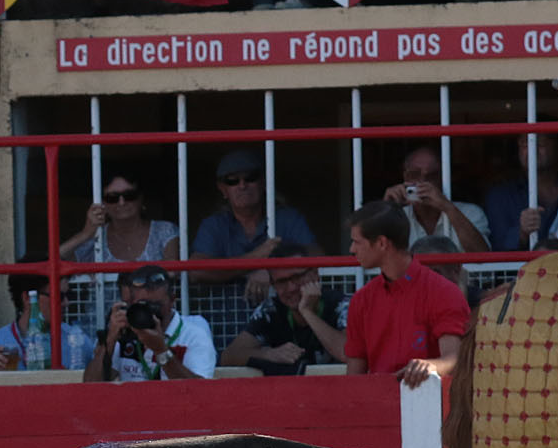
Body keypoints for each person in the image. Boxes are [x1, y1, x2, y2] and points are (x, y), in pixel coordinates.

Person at [343, 201, 470, 388]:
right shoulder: (362, 299)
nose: (351, 249)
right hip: (380, 404)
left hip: (431, 404)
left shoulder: (443, 292)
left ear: (381, 243)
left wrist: (430, 366)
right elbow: (353, 380)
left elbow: (454, 359)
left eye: (356, 242)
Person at [190, 147, 321, 316]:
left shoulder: (287, 218)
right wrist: (257, 257)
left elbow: (317, 255)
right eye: (232, 181)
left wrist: (271, 269)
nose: (242, 185)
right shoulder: (214, 225)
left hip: (283, 321)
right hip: (227, 326)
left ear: (264, 182)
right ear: (223, 189)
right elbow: (197, 270)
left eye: (250, 178)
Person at [219, 244, 345, 374]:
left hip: (338, 388)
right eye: (282, 282)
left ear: (314, 274)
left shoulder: (341, 304)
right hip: (290, 391)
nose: (291, 287)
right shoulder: (270, 309)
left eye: (297, 277)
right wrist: (269, 354)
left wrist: (307, 312)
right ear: (273, 285)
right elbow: (228, 356)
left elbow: (347, 352)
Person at [82, 264, 216, 383]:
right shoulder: (124, 332)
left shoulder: (193, 335)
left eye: (156, 306)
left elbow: (199, 392)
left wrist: (161, 351)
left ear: (172, 300)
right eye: (143, 306)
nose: (151, 312)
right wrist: (110, 340)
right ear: (131, 303)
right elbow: (90, 385)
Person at [58, 167, 180, 268]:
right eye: (112, 198)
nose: (121, 203)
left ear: (141, 198)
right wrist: (86, 233)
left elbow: (172, 271)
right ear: (103, 203)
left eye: (129, 195)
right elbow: (54, 260)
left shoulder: (165, 231)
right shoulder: (95, 238)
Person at [0, 267, 93, 372]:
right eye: (59, 296)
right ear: (28, 298)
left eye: (69, 295)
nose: (66, 303)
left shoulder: (77, 341)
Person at [381, 145, 491, 253]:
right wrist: (386, 210)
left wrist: (447, 207)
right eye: (415, 174)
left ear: (445, 178)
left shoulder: (470, 212)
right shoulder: (397, 217)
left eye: (432, 176)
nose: (422, 182)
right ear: (405, 177)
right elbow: (373, 258)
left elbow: (483, 259)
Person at [483, 134, 558, 251]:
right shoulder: (500, 196)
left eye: (540, 143)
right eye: (524, 143)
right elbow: (495, 250)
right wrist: (522, 232)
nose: (532, 148)